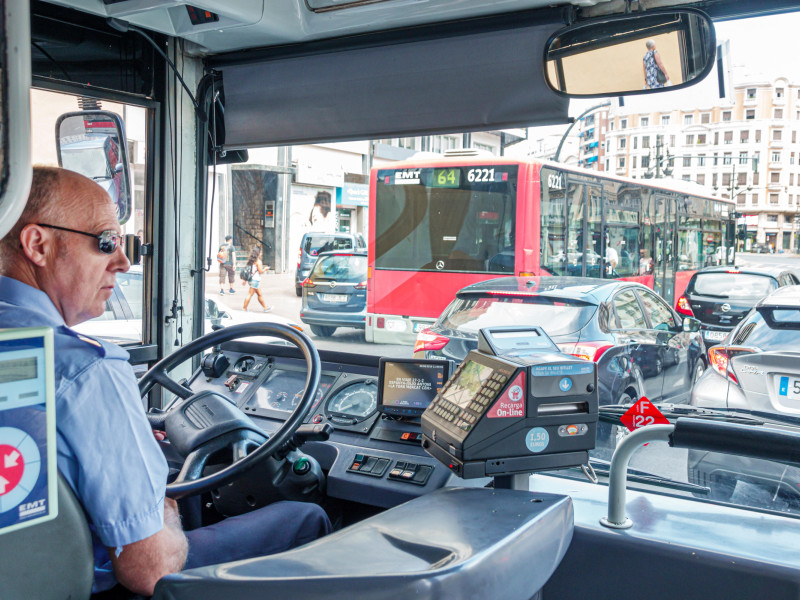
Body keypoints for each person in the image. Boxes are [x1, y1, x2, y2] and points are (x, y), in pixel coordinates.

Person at [0, 167, 330, 595]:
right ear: (37, 245)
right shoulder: (87, 370)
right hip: (98, 584)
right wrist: (166, 517)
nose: (122, 261)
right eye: (106, 243)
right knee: (305, 518)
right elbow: (149, 570)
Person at [242, 246, 272, 312]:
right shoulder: (258, 261)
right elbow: (260, 271)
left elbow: (248, 270)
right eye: (260, 252)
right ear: (258, 253)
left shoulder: (251, 260)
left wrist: (245, 280)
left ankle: (265, 307)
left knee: (259, 294)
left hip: (251, 280)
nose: (261, 253)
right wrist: (265, 269)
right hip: (255, 280)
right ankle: (244, 308)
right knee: (250, 294)